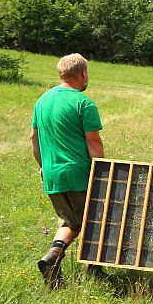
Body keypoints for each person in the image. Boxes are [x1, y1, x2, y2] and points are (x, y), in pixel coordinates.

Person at [31, 53, 106, 289]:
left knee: (71, 222)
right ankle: (95, 270)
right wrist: (102, 173)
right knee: (97, 220)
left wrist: (43, 167)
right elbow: (93, 142)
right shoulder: (83, 103)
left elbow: (34, 139)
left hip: (52, 175)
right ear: (83, 73)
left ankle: (52, 258)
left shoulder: (42, 101)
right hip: (79, 174)